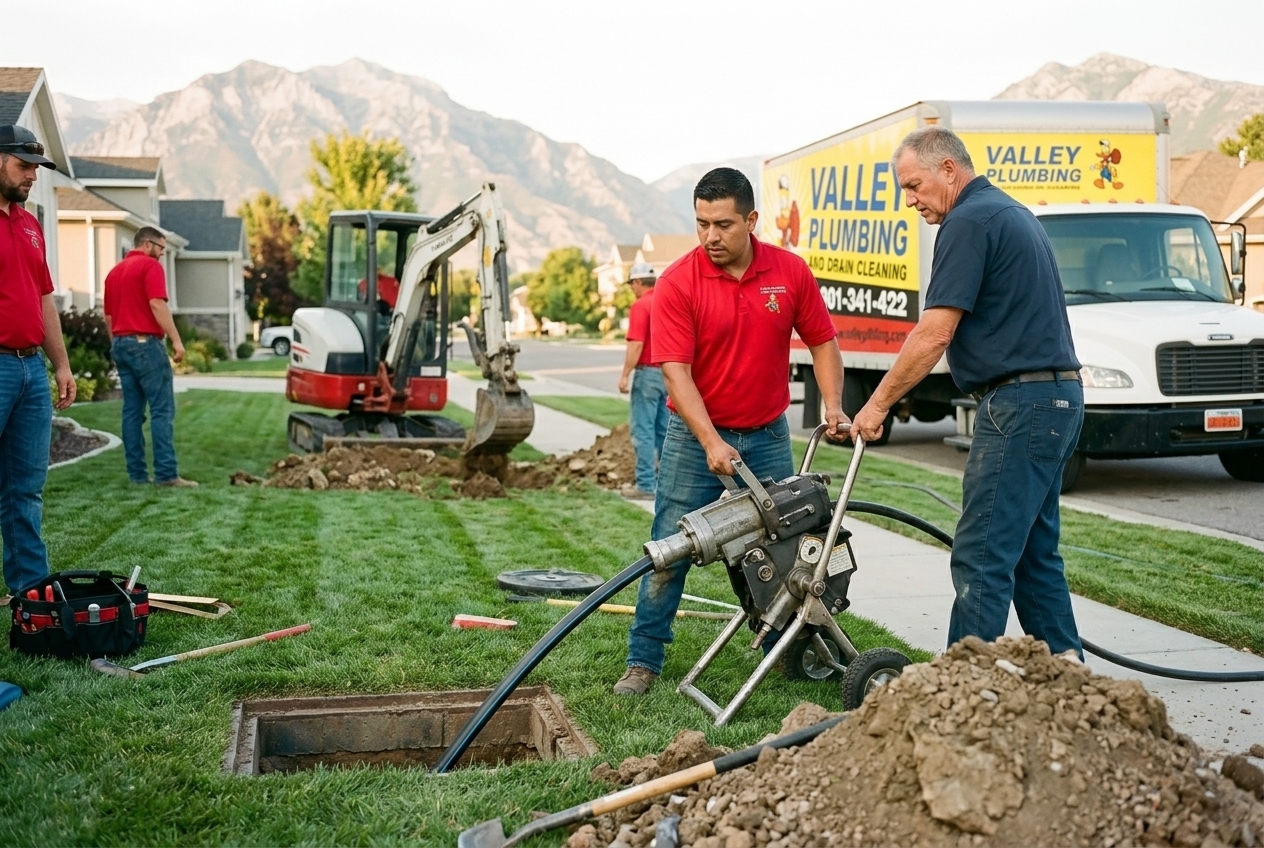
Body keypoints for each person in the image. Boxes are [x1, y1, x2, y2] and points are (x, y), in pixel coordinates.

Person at [851, 126, 1084, 657]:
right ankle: (1071, 679)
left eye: (913, 186)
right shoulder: (1010, 213)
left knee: (981, 555)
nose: (909, 201)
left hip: (1021, 404)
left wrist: (877, 403)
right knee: (1031, 554)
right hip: (1055, 399)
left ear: (948, 170)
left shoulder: (968, 221)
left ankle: (962, 686)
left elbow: (934, 332)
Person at [614, 168, 847, 695]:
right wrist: (711, 441)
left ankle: (782, 648)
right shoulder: (678, 281)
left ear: (751, 220)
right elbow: (675, 369)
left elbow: (823, 342)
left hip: (766, 437)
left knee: (780, 547)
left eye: (722, 224)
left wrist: (833, 404)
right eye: (701, 224)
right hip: (694, 440)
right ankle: (643, 660)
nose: (710, 237)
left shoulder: (789, 273)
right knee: (669, 546)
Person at [0, 125, 75, 594]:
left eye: (36, 168)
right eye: (23, 166)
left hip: (31, 370)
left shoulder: (28, 225)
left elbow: (44, 297)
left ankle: (30, 595)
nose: (32, 176)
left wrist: (62, 365)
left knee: (25, 491)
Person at [103, 227, 198, 487]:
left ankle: (137, 475)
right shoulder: (149, 267)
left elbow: (108, 316)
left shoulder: (114, 273)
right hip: (146, 343)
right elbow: (157, 303)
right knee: (162, 410)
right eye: (160, 247)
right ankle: (167, 474)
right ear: (147, 244)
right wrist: (177, 341)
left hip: (121, 343)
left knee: (132, 412)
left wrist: (118, 345)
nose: (161, 253)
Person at [617, 262, 667, 500]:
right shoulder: (667, 301)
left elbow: (636, 343)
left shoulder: (641, 305)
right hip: (670, 374)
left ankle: (646, 485)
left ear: (637, 283)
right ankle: (664, 484)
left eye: (631, 284)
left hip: (648, 373)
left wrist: (625, 374)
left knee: (643, 430)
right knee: (664, 432)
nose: (631, 289)